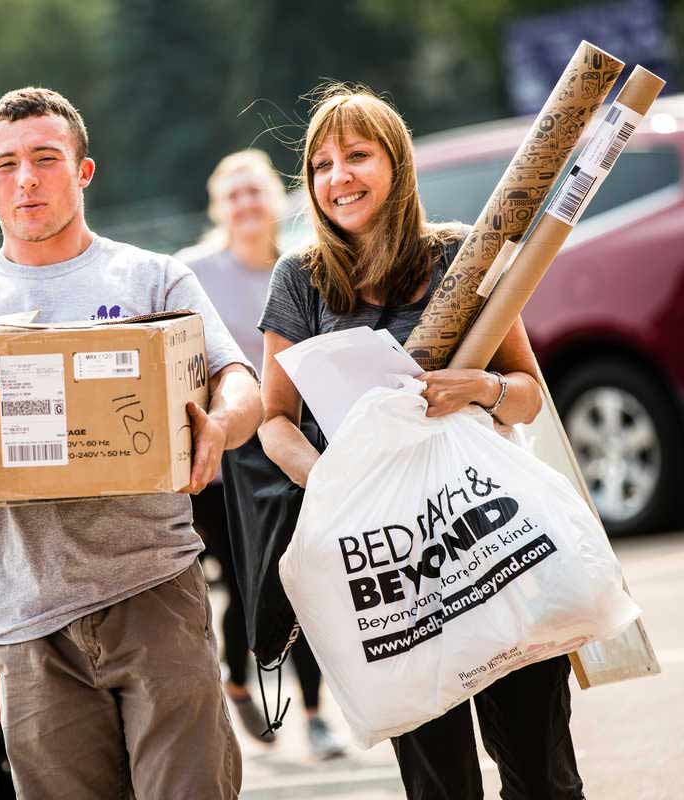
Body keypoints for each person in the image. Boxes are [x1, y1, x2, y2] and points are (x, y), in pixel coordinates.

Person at [0, 87, 261, 800]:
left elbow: (239, 380)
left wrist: (220, 426)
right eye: (6, 165)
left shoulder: (151, 279)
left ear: (84, 171)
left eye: (46, 158)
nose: (27, 179)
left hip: (153, 589)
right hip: (27, 620)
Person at [256, 85, 584, 799]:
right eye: (321, 163)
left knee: (543, 775)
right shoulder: (299, 280)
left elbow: (528, 392)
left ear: (396, 165)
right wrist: (331, 478)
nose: (338, 176)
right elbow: (273, 420)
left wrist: (477, 389)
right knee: (439, 786)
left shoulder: (460, 257)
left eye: (357, 156)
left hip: (488, 547)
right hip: (391, 577)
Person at [177, 149, 345, 760]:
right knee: (248, 586)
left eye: (256, 192)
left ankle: (316, 715)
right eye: (233, 195)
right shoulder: (191, 273)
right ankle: (238, 680)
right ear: (219, 208)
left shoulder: (301, 268)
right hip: (219, 467)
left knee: (297, 578)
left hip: (286, 450)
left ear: (275, 198)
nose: (246, 205)